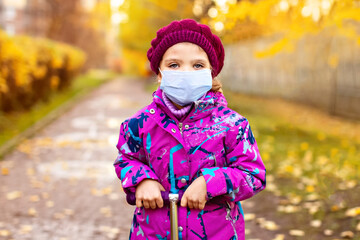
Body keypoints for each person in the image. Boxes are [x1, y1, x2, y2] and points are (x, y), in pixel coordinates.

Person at [113, 19, 266, 240]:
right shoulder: (138, 124)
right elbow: (125, 160)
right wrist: (141, 180)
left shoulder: (233, 125)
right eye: (174, 65)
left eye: (198, 65)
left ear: (211, 73)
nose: (186, 72)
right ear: (159, 74)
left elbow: (253, 175)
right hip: (152, 233)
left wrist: (210, 182)